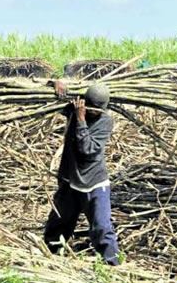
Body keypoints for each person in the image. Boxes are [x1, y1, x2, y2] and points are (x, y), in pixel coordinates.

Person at [43, 80, 120, 266]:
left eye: (96, 109)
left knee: (101, 227)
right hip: (70, 181)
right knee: (58, 225)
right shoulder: (75, 108)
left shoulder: (105, 121)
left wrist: (81, 119)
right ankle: (49, 259)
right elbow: (49, 100)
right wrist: (55, 83)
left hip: (94, 183)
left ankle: (113, 265)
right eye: (89, 106)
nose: (92, 111)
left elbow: (87, 149)